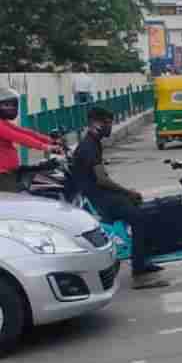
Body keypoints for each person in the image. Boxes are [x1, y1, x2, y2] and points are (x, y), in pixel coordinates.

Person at [70, 108, 167, 289]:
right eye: (108, 123)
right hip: (102, 200)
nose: (110, 127)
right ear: (97, 124)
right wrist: (127, 192)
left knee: (140, 208)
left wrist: (126, 193)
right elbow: (102, 179)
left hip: (102, 195)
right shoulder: (89, 146)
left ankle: (143, 259)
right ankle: (139, 272)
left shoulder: (92, 142)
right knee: (140, 219)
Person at [0, 87, 62, 192]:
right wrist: (46, 147)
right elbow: (19, 137)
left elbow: (24, 132)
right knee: (21, 199)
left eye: (13, 105)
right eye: (7, 105)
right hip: (2, 176)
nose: (12, 108)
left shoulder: (3, 122)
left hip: (10, 171)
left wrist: (50, 141)